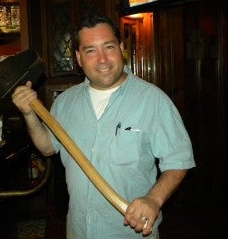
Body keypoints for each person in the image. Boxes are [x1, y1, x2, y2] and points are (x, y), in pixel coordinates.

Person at [12, 14, 195, 238]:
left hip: (130, 233)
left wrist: (153, 199)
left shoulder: (153, 100)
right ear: (79, 58)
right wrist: (29, 114)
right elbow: (48, 147)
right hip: (79, 231)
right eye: (90, 51)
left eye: (108, 47)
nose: (102, 59)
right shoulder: (65, 102)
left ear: (120, 48)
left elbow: (179, 160)